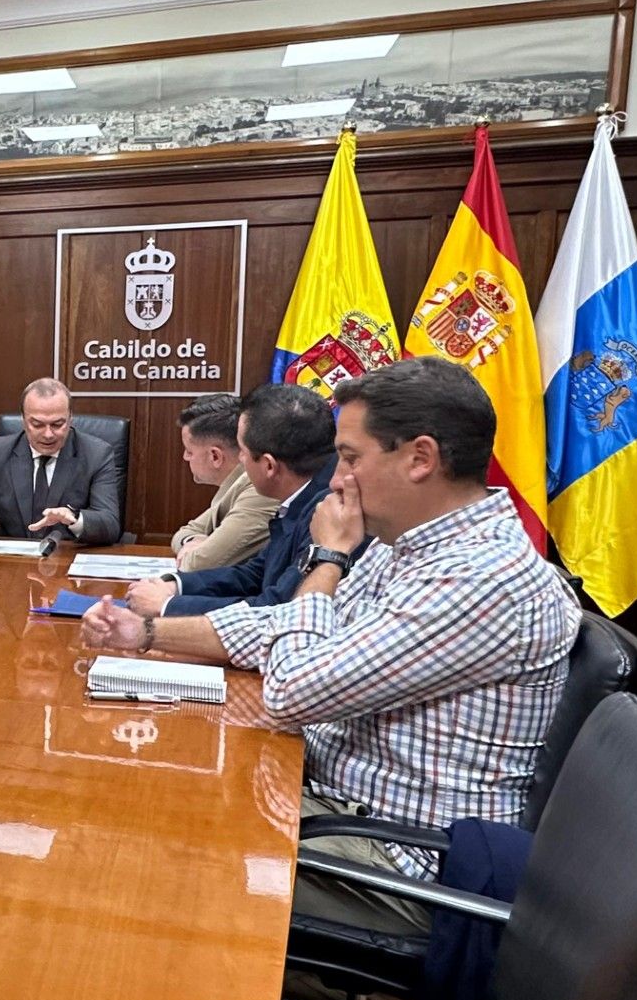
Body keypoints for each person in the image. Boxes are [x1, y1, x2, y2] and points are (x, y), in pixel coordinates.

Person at [82, 357, 580, 932]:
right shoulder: (406, 546)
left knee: (153, 852)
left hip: (401, 860)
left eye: (350, 458)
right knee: (148, 788)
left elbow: (292, 690)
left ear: (420, 459)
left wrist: (326, 558)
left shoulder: (480, 578)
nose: (337, 478)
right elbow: (288, 628)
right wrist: (144, 633)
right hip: (333, 803)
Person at [128, 384, 337, 619]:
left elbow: (276, 608)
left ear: (269, 466)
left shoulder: (328, 510)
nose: (239, 460)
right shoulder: (301, 496)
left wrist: (168, 606)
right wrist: (176, 586)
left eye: (243, 453)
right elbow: (255, 573)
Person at [0, 378, 122, 546]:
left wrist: (74, 518)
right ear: (24, 420)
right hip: (9, 563)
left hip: (66, 561)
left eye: (57, 424)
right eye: (38, 424)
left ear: (70, 418)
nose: (48, 434)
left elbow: (110, 524)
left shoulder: (97, 454)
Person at [168, 393, 278, 570]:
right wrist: (193, 540)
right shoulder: (236, 485)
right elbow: (185, 532)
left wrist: (198, 549)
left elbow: (199, 564)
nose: (185, 457)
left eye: (189, 451)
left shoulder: (261, 489)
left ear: (215, 456)